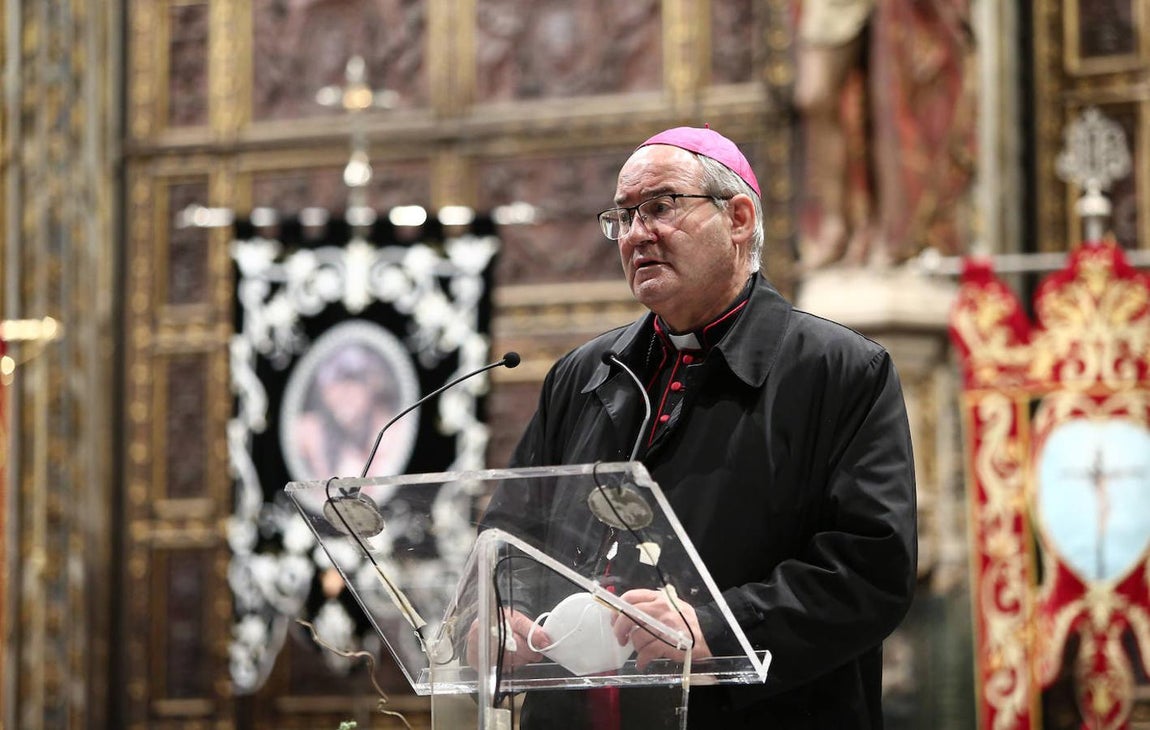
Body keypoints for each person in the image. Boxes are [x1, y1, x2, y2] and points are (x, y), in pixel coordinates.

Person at [497, 126, 918, 728]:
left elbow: (870, 569)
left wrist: (716, 628)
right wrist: (506, 611)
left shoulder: (840, 371)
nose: (638, 233)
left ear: (739, 217)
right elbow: (512, 532)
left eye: (661, 207)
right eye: (623, 216)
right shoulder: (583, 376)